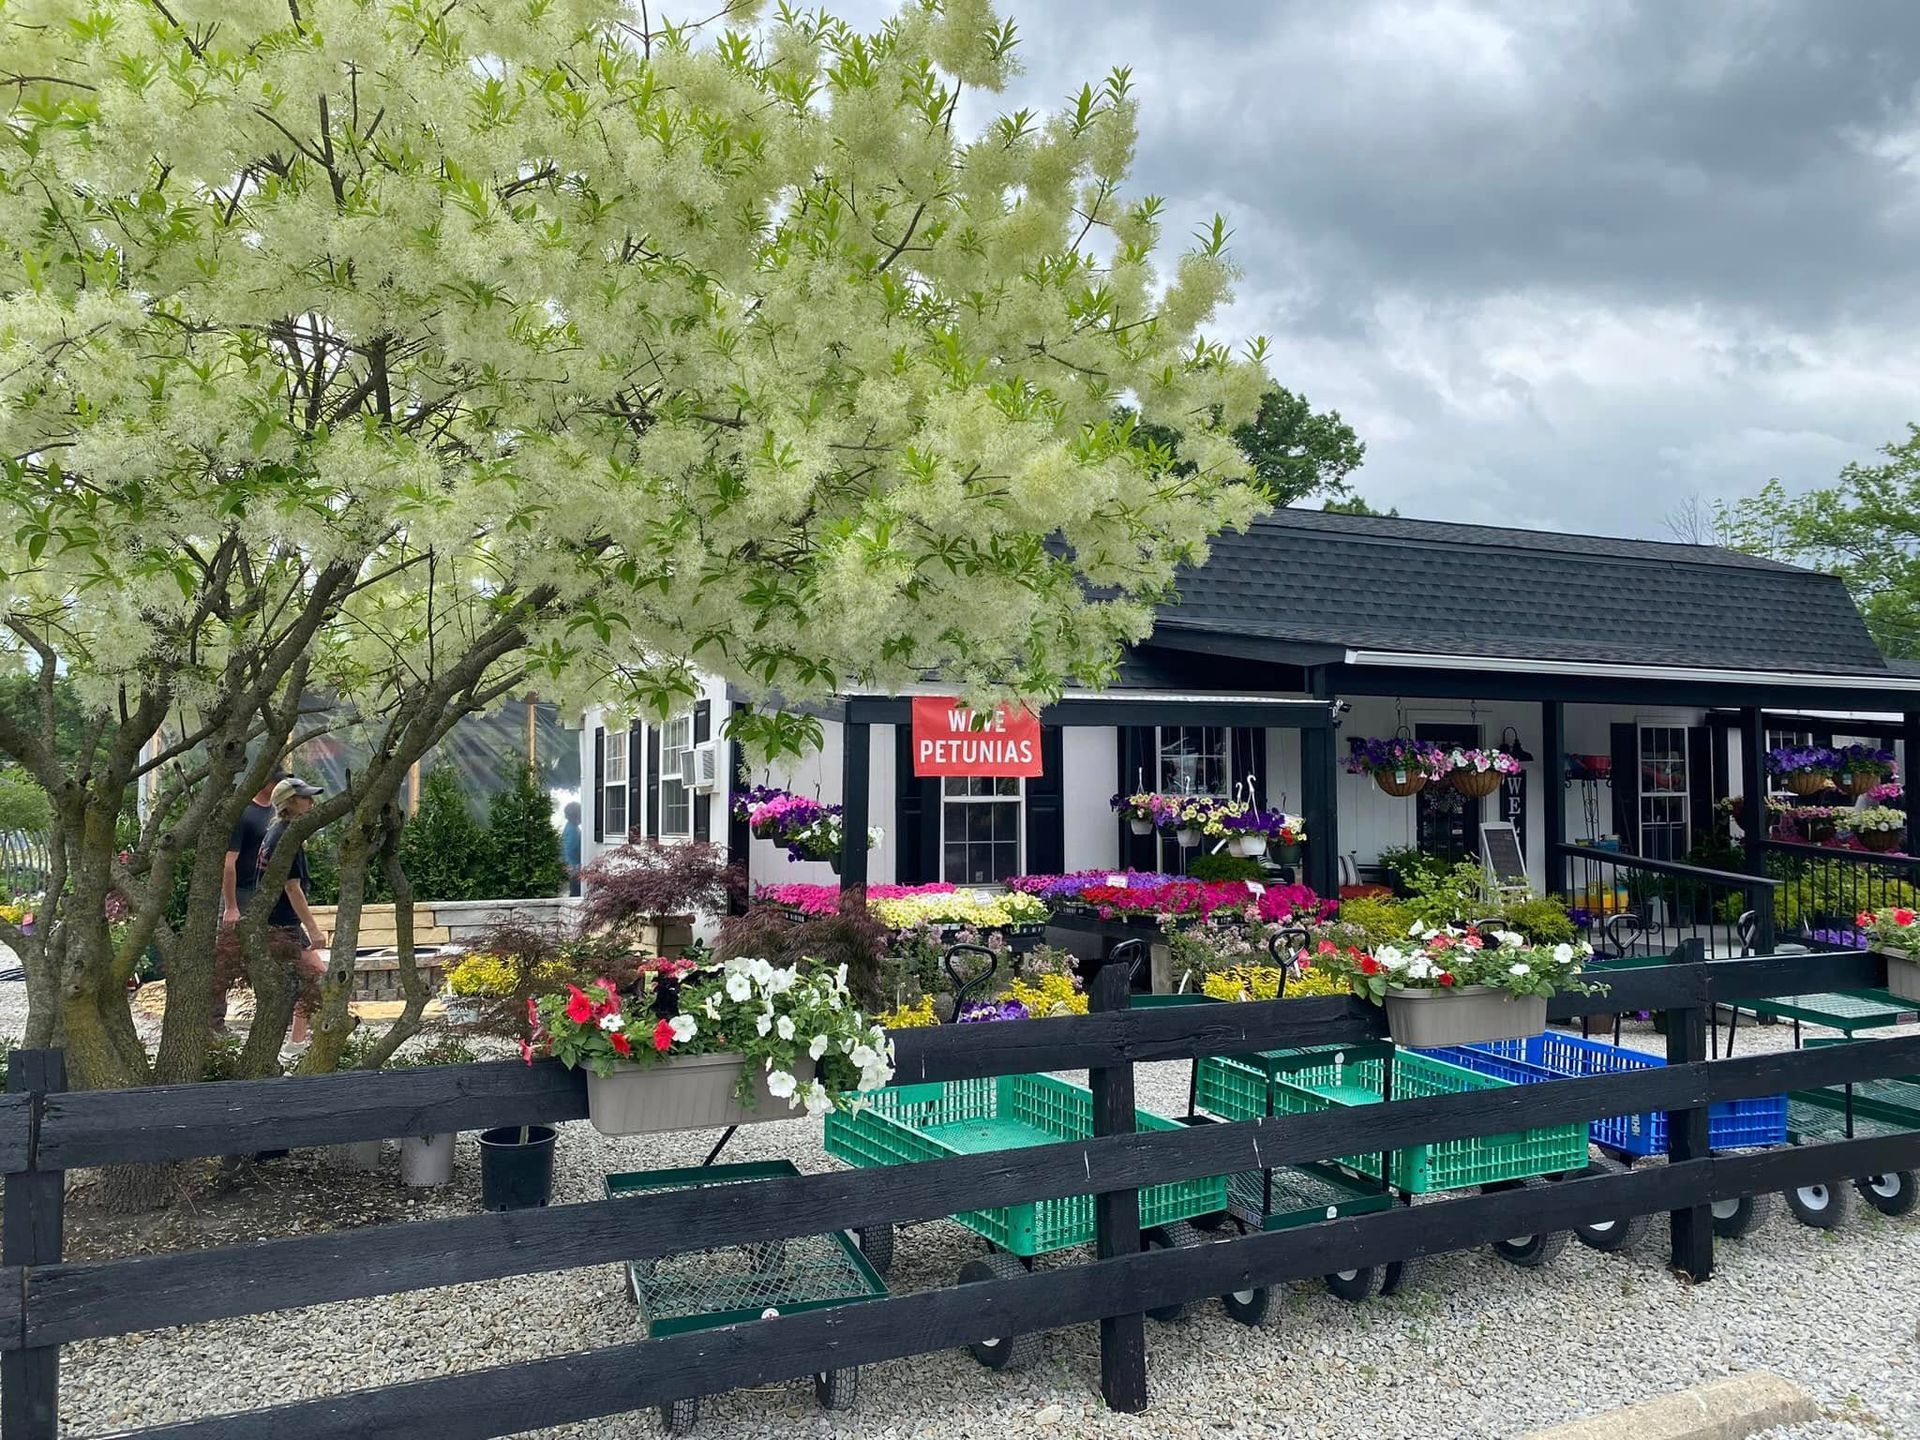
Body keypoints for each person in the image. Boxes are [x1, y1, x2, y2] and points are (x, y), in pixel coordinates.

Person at [216, 769, 289, 1030]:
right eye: (279, 782)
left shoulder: (276, 814)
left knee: (272, 953)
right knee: (225, 957)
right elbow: (228, 864)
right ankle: (214, 1021)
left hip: (266, 894)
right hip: (241, 893)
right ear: (267, 784)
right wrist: (231, 905)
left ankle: (271, 1018)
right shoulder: (244, 814)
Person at [258, 777, 329, 1045]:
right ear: (288, 804)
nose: (312, 802)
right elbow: (292, 889)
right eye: (305, 798)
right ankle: (296, 1044)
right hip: (282, 926)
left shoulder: (274, 833)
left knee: (304, 982)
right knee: (317, 977)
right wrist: (313, 929)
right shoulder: (286, 837)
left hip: (275, 924)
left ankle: (296, 1040)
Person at [561, 799, 583, 897]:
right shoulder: (572, 831)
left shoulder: (572, 828)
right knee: (575, 893)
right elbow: (570, 850)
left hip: (573, 866)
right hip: (574, 868)